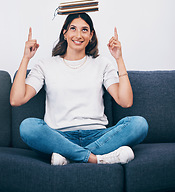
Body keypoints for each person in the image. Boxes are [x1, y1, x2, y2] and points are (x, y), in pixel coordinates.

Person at [10, 13, 148, 165]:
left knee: (139, 124)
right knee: (28, 127)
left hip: (98, 135)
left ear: (91, 35)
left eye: (84, 30)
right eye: (73, 29)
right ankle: (95, 158)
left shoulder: (102, 63)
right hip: (59, 137)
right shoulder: (45, 65)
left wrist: (119, 59)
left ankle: (69, 156)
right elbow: (17, 99)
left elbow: (125, 101)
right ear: (65, 33)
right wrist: (26, 58)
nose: (78, 35)